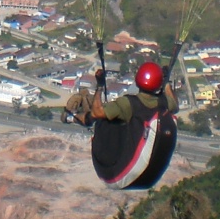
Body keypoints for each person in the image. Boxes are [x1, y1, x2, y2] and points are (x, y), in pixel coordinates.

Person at [74, 60, 181, 190]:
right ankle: (77, 116)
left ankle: (74, 116)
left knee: (105, 119)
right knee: (117, 117)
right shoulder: (164, 104)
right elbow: (174, 105)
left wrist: (100, 85)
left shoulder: (129, 103)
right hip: (147, 179)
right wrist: (166, 82)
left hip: (114, 173)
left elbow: (97, 112)